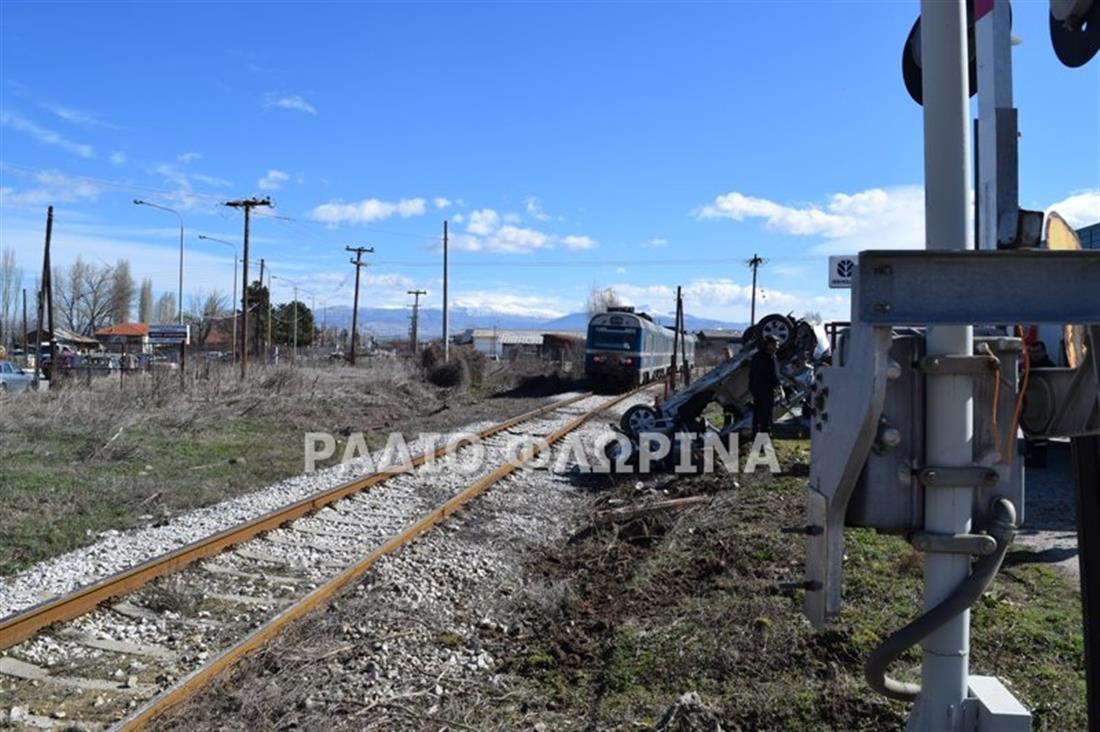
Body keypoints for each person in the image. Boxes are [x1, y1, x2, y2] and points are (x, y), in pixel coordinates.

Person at [749, 336, 780, 436]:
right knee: (765, 416)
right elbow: (771, 375)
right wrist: (777, 385)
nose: (777, 347)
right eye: (776, 344)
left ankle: (756, 437)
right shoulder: (768, 358)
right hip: (765, 391)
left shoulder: (756, 356)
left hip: (757, 390)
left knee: (758, 415)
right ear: (769, 345)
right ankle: (763, 439)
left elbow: (751, 374)